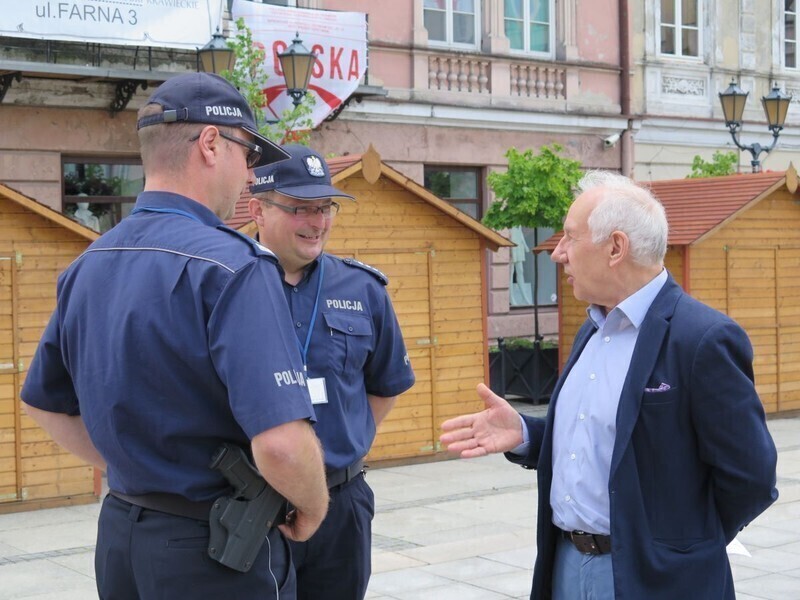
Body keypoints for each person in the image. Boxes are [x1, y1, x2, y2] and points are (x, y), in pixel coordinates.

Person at [20, 73, 329, 599]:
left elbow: (45, 404)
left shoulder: (88, 264)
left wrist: (135, 467)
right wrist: (314, 506)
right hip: (214, 547)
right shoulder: (236, 265)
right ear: (211, 143)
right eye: (248, 153)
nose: (251, 172)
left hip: (123, 536)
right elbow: (280, 443)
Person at [440, 170, 778, 600]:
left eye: (569, 238)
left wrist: (681, 548)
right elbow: (606, 443)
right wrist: (527, 433)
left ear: (615, 247)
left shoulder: (702, 339)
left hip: (655, 580)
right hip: (564, 565)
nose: (557, 253)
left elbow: (751, 477)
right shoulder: (592, 329)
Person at [247, 145, 416, 600]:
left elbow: (383, 387)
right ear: (257, 208)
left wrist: (341, 443)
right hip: (251, 506)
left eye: (325, 208)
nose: (317, 221)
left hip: (342, 504)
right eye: (300, 207)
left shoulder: (362, 289)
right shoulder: (226, 284)